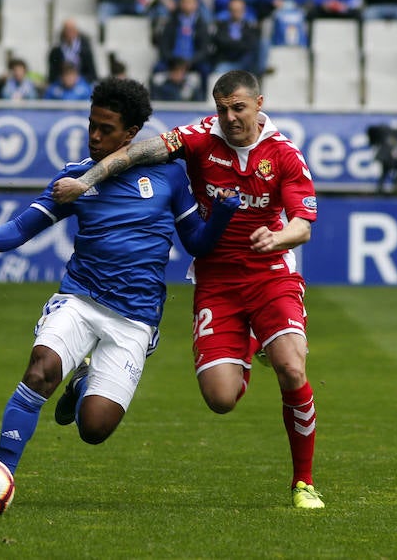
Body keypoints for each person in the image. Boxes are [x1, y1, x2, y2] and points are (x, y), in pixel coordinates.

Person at [50, 70, 324, 509]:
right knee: (221, 400)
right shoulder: (198, 137)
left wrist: (279, 238)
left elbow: (302, 224)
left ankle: (303, 483)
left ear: (258, 104)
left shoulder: (284, 155)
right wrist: (88, 181)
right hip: (216, 281)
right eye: (221, 108)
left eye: (238, 107)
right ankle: (248, 343)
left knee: (292, 367)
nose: (229, 117)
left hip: (271, 273)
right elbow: (139, 153)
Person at [0, 76, 240, 479]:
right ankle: (1, 474)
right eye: (91, 125)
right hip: (80, 299)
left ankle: (82, 384)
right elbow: (19, 229)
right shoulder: (76, 178)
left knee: (94, 428)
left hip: (134, 318)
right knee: (40, 369)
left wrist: (223, 214)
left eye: (107, 130)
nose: (95, 137)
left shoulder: (170, 178)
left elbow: (198, 245)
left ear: (131, 134)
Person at [155, 0, 213, 83]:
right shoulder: (171, 22)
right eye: (185, 1)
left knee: (205, 70)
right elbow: (164, 46)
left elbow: (204, 49)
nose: (187, 4)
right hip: (173, 60)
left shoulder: (201, 24)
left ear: (196, 4)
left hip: (193, 61)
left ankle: (202, 97)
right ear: (180, 3)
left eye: (190, 2)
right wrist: (174, 60)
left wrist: (190, 61)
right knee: (157, 69)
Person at [211, 0, 262, 76]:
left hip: (245, 63)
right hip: (226, 61)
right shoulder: (221, 25)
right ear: (229, 10)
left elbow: (251, 45)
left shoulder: (250, 27)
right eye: (233, 10)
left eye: (239, 10)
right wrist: (241, 44)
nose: (236, 12)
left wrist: (230, 43)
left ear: (244, 11)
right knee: (217, 75)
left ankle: (261, 73)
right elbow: (220, 42)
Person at [48, 18, 99, 86]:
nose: (69, 33)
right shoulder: (55, 52)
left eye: (72, 30)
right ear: (63, 32)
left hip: (82, 84)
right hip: (62, 84)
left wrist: (77, 80)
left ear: (76, 31)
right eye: (67, 30)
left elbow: (92, 74)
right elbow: (52, 75)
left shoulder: (85, 50)